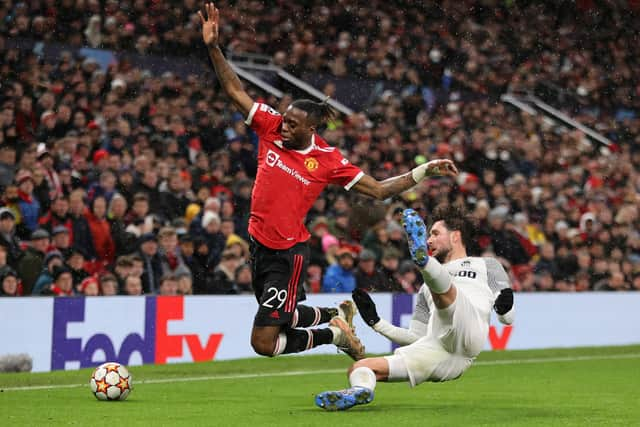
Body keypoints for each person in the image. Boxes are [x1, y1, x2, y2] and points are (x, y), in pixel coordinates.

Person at [198, 3, 458, 360]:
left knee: (265, 343)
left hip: (286, 254)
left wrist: (424, 170)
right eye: (284, 119)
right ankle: (337, 316)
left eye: (292, 124)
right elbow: (234, 91)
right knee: (282, 319)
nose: (283, 126)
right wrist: (213, 47)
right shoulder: (270, 126)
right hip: (257, 244)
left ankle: (335, 336)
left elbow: (380, 190)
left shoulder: (327, 160)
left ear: (311, 128)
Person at [315, 205, 515, 410]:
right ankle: (361, 390)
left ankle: (423, 262)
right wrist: (377, 323)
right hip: (437, 351)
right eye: (427, 236)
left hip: (469, 330)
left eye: (435, 234)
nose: (429, 240)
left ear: (455, 236)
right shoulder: (425, 289)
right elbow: (416, 338)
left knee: (451, 296)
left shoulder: (486, 265)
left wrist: (504, 306)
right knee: (360, 368)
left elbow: (507, 318)